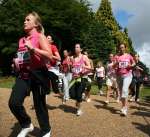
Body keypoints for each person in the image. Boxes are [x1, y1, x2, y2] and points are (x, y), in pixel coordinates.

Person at [9, 12, 52, 137]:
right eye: (24, 20)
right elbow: (23, 57)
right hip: (24, 74)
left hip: (39, 74)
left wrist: (33, 49)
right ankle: (27, 124)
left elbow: (49, 56)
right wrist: (16, 63)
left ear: (36, 24)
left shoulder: (40, 37)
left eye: (28, 20)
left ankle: (46, 130)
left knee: (39, 105)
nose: (24, 21)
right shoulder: (21, 40)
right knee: (14, 102)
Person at [69, 43, 91, 116]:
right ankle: (78, 101)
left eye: (77, 47)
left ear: (81, 49)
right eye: (75, 47)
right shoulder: (73, 58)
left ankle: (79, 109)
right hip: (75, 78)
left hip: (82, 78)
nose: (76, 48)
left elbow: (90, 67)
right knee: (71, 94)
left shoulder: (84, 57)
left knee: (78, 95)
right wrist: (72, 69)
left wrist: (83, 67)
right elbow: (72, 68)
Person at [115, 43, 135, 116]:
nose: (121, 49)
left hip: (128, 75)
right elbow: (113, 67)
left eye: (122, 47)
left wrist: (131, 65)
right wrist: (116, 63)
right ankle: (123, 106)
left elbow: (134, 63)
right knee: (122, 93)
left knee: (124, 90)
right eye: (120, 47)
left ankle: (125, 108)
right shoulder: (117, 57)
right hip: (119, 76)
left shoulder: (129, 56)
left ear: (125, 48)